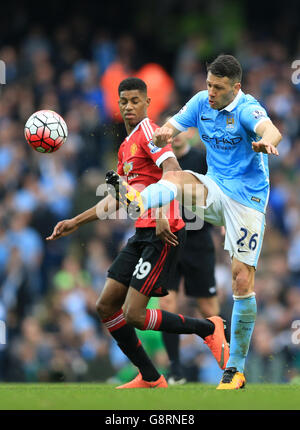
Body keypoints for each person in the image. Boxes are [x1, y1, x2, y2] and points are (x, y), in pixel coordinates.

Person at [47, 77, 229, 389]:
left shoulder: (149, 132)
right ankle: (150, 376)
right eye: (124, 101)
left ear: (146, 103)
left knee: (133, 314)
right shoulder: (124, 147)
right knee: (105, 306)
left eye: (135, 100)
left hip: (164, 232)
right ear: (117, 105)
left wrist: (159, 211)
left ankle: (208, 329)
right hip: (142, 233)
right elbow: (117, 197)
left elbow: (172, 169)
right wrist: (75, 222)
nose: (129, 106)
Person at [120, 55, 282, 389]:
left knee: (241, 280)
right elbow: (171, 126)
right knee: (176, 178)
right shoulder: (200, 102)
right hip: (215, 188)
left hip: (248, 201)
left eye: (218, 87)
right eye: (208, 84)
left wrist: (268, 142)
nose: (210, 92)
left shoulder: (247, 109)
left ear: (235, 88)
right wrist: (164, 134)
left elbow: (270, 129)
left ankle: (234, 369)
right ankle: (140, 200)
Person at [159, 126, 220, 384]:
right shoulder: (160, 162)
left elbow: (219, 193)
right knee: (166, 304)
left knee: (208, 307)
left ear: (190, 133)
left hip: (197, 240)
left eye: (179, 130)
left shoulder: (202, 159)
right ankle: (174, 368)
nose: (174, 135)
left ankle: (228, 367)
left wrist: (226, 223)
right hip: (169, 240)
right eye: (169, 131)